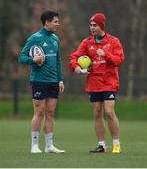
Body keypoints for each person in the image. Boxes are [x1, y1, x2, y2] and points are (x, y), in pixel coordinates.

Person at [70, 13, 124, 154]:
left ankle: (116, 144)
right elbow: (74, 57)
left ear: (102, 26)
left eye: (95, 25)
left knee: (109, 112)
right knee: (97, 113)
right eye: (91, 25)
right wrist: (75, 67)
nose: (92, 28)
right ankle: (102, 146)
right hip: (94, 83)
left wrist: (106, 54)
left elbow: (119, 60)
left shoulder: (113, 41)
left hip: (109, 81)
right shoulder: (87, 42)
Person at [18, 11, 65, 154]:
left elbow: (58, 61)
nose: (58, 24)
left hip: (53, 81)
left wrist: (60, 79)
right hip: (39, 80)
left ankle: (49, 145)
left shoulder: (56, 39)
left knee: (50, 112)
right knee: (39, 111)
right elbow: (21, 58)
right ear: (47, 22)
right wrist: (34, 60)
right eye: (56, 22)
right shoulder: (34, 38)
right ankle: (34, 145)